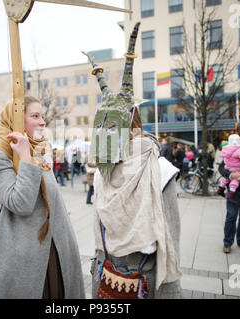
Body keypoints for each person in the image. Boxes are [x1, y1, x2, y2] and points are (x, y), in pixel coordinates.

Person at [86, 22, 182, 299]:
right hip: (126, 276)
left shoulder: (153, 170)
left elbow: (170, 240)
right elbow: (169, 239)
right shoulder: (112, 171)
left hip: (126, 276)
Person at [0, 96, 85, 299]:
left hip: (56, 252)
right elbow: (21, 204)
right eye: (35, 116)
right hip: (23, 260)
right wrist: (25, 158)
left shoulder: (40, 152)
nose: (43, 122)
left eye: (43, 116)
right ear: (16, 120)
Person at [217, 134, 240, 203]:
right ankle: (231, 194)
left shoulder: (225, 148)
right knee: (235, 180)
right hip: (236, 168)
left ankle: (220, 188)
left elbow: (224, 158)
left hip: (227, 167)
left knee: (226, 178)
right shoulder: (239, 150)